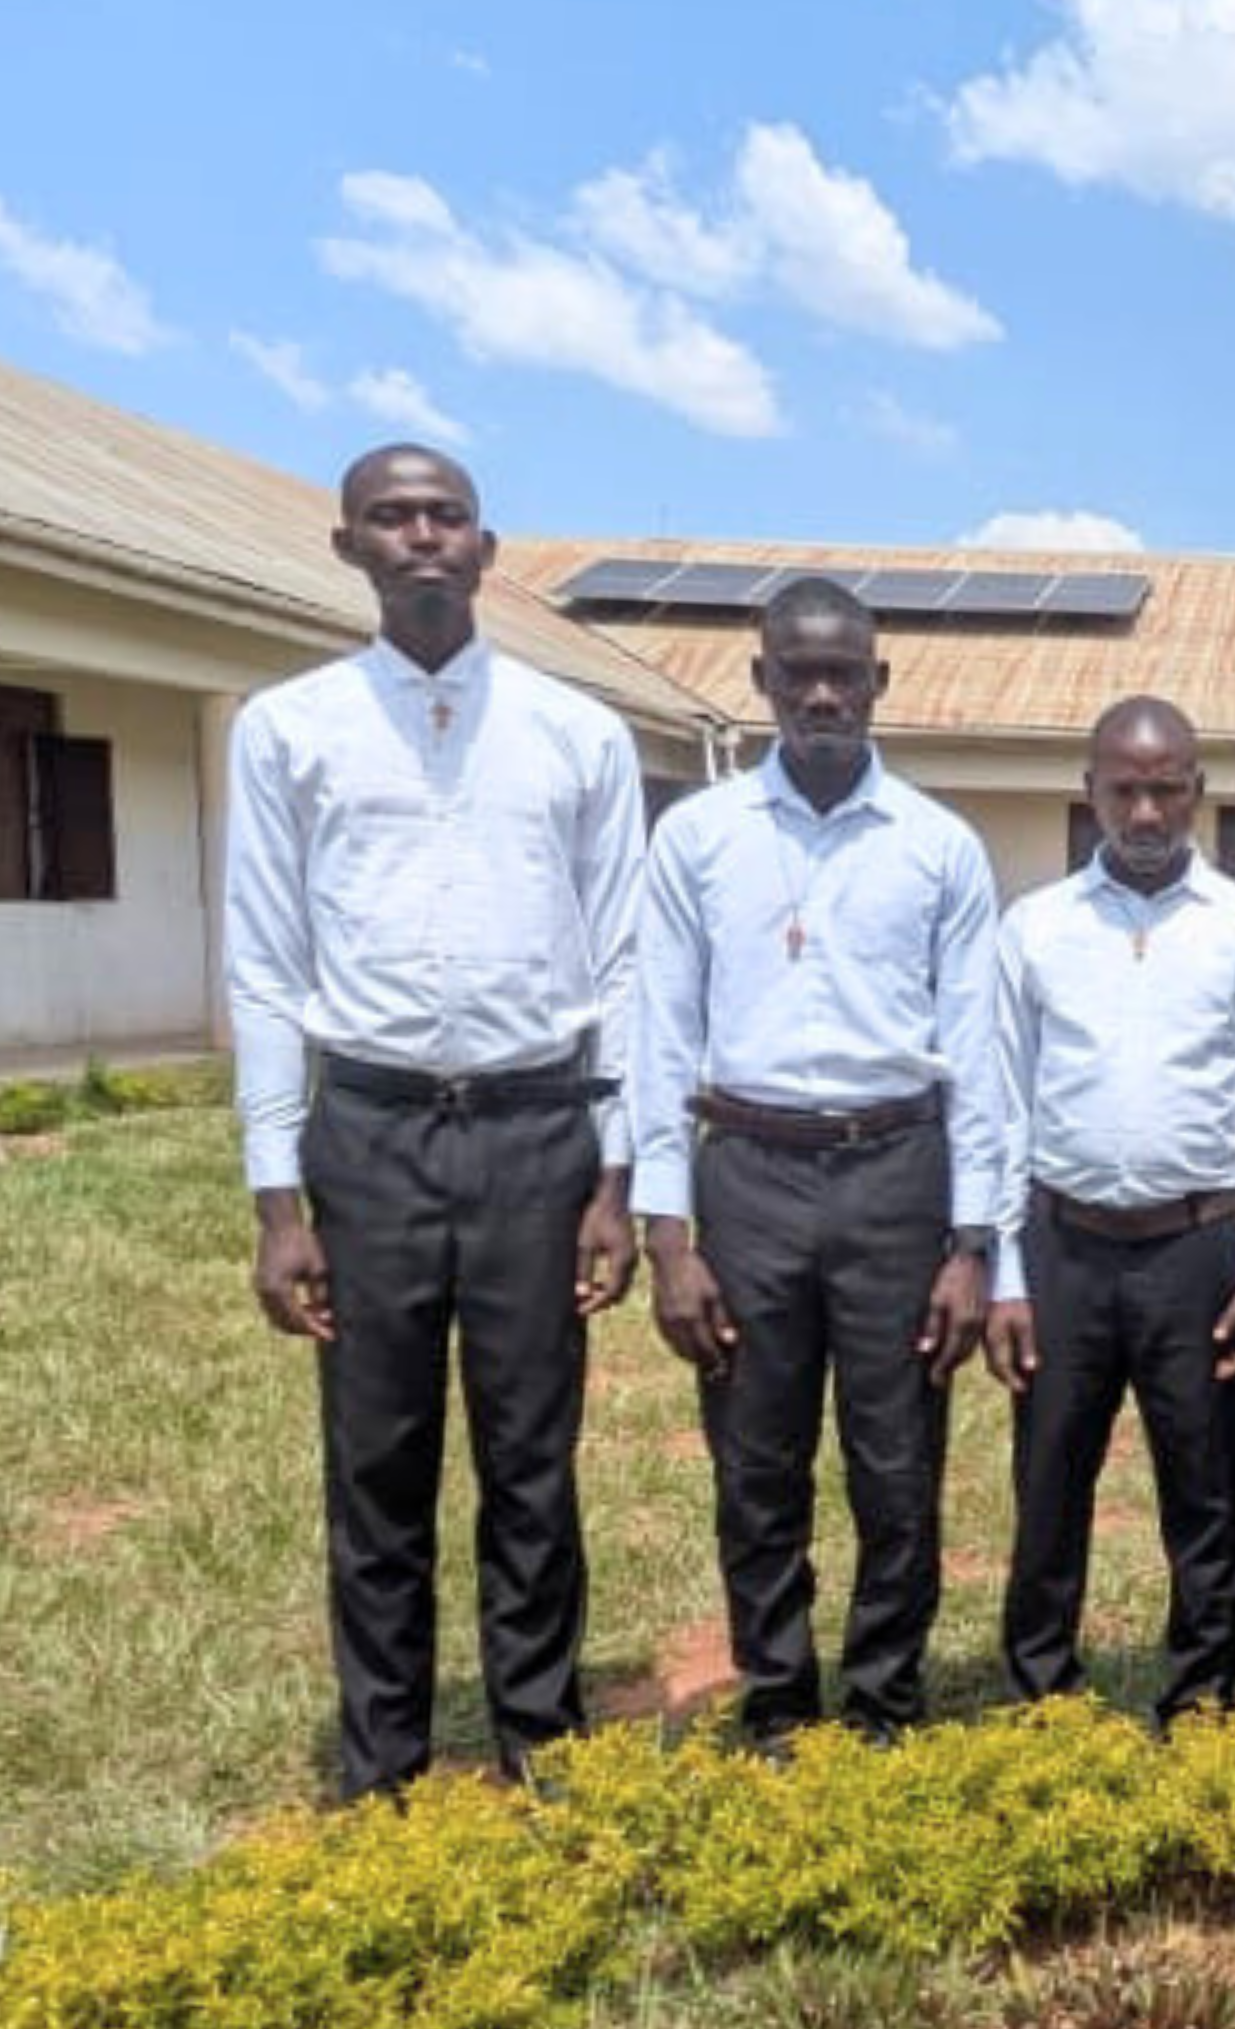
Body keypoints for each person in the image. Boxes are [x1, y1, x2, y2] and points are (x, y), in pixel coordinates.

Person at [225, 443, 644, 1800]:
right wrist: (277, 1202)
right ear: (348, 545)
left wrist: (616, 1179)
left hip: (536, 1132)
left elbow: (623, 963)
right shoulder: (288, 729)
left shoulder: (577, 732)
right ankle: (383, 1768)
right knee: (377, 1463)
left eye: (446, 515)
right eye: (392, 517)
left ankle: (540, 1743)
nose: (420, 535)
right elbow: (264, 966)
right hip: (371, 1135)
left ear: (486, 549)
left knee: (533, 1462)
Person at [629, 577, 1002, 1747]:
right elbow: (659, 1036)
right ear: (763, 681)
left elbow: (978, 1055)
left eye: (846, 673)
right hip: (747, 1174)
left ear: (879, 681)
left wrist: (973, 1244)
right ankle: (779, 1701)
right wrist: (668, 1236)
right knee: (756, 1460)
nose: (824, 694)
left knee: (898, 1466)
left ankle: (886, 1700)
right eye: (800, 674)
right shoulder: (699, 839)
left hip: (898, 1173)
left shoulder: (939, 847)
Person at [985, 697, 1235, 1724]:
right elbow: (1002, 1108)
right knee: (1049, 1484)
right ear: (1088, 791)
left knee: (1206, 1491)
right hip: (1063, 1249)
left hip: (1199, 1250)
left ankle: (1200, 1698)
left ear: (1197, 792)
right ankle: (1042, 1695)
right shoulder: (1035, 929)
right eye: (1123, 788)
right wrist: (1004, 1273)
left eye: (1166, 789)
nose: (1144, 811)